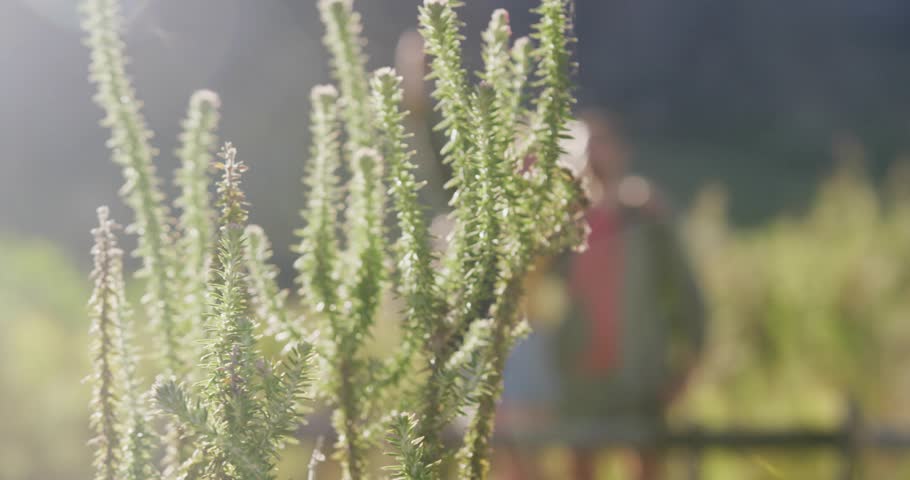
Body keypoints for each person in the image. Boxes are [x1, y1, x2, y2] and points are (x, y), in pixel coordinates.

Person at [498, 110, 706, 480]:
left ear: (623, 151)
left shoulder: (647, 218)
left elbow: (686, 296)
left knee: (646, 464)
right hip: (578, 377)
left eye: (603, 141)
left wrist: (687, 364)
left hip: (639, 374)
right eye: (586, 141)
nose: (594, 151)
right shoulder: (562, 225)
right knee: (580, 466)